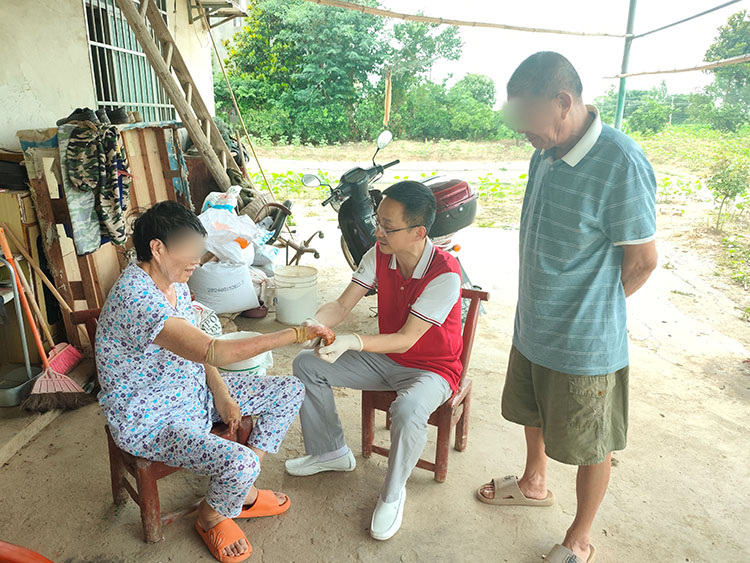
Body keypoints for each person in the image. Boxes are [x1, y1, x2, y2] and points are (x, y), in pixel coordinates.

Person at [475, 52, 658, 563]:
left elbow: (643, 261)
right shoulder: (545, 150)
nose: (521, 131)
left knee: (591, 441)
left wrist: (594, 308)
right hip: (533, 325)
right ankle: (533, 482)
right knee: (530, 409)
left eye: (527, 116)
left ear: (563, 101)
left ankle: (579, 536)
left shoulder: (620, 161)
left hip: (585, 342)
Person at [95, 201, 330, 563]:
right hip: (152, 419)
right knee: (241, 462)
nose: (197, 259)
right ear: (157, 248)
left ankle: (238, 491)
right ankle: (211, 515)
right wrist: (295, 333)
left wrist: (220, 392)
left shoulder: (175, 284)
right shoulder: (136, 297)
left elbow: (199, 353)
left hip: (192, 391)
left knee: (289, 390)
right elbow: (213, 350)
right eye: (189, 249)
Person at [285, 181, 463, 541]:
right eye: (377, 221)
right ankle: (330, 452)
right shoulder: (379, 253)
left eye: (387, 226)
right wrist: (316, 322)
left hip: (433, 369)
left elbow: (407, 338)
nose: (377, 231)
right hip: (386, 359)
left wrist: (353, 341)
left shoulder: (445, 273)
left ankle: (393, 493)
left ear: (418, 232)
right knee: (307, 364)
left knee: (408, 409)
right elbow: (342, 305)